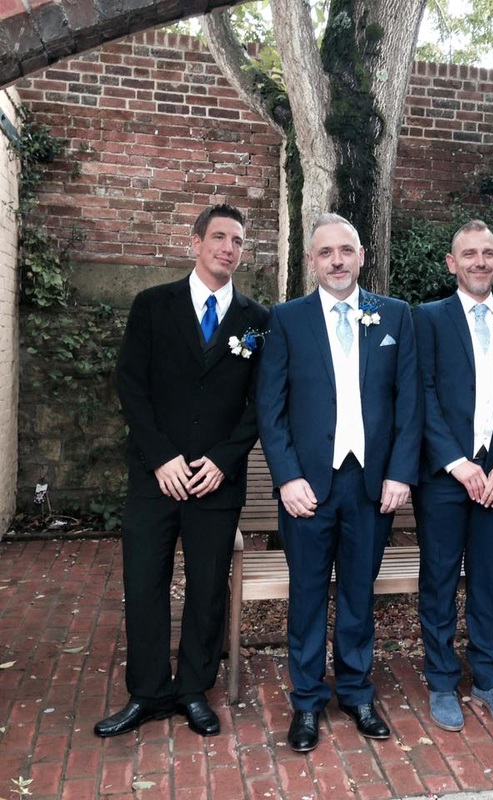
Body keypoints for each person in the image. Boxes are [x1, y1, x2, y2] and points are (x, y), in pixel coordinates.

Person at [94, 204, 270, 738]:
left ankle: (194, 689)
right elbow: (131, 385)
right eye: (218, 237)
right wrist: (160, 457)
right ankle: (148, 692)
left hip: (216, 482)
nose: (228, 248)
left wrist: (224, 460)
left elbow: (260, 402)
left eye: (237, 241)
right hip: (156, 477)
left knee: (208, 587)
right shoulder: (152, 305)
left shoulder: (257, 320)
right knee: (144, 582)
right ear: (195, 243)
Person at [257, 212, 422, 752]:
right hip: (308, 487)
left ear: (361, 256)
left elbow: (409, 404)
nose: (336, 261)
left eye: (346, 250)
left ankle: (355, 691)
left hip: (371, 486)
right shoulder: (287, 319)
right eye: (326, 252)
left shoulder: (395, 315)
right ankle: (307, 700)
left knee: (358, 592)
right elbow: (271, 409)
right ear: (311, 261)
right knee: (307, 593)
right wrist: (286, 478)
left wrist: (400, 473)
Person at [412, 220, 493, 732]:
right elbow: (421, 392)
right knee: (440, 578)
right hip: (446, 477)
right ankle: (442, 680)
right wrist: (456, 461)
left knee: (487, 579)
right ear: (452, 263)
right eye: (469, 254)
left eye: (488, 253)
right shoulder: (428, 319)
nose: (479, 262)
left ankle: (489, 679)